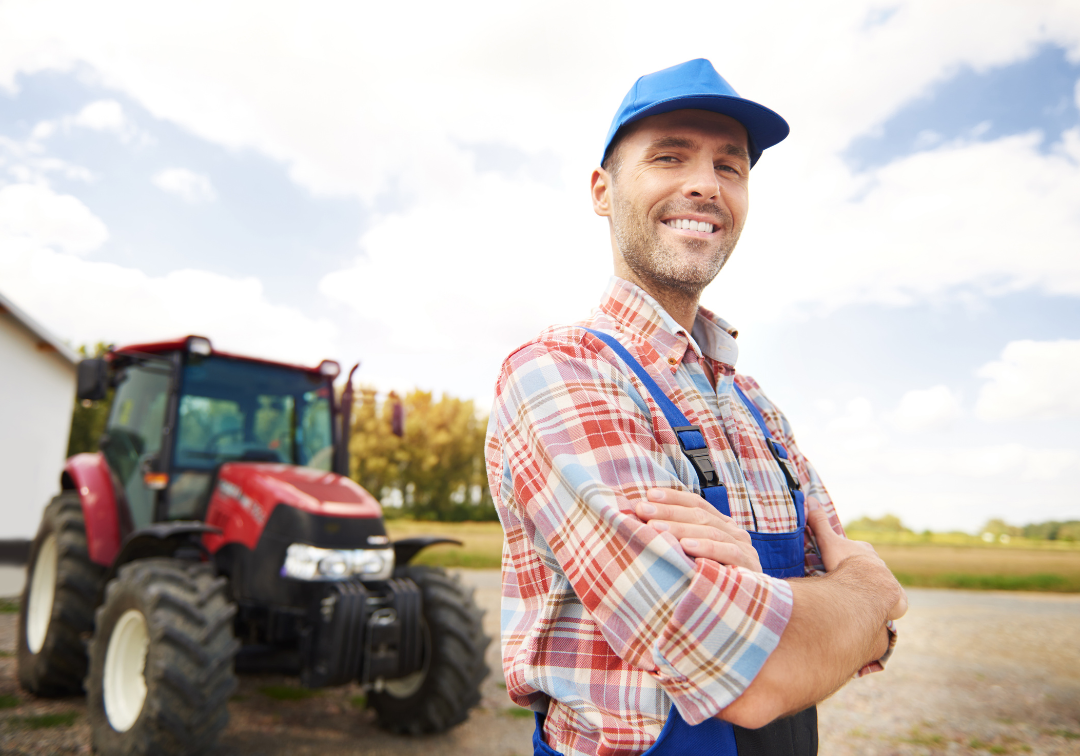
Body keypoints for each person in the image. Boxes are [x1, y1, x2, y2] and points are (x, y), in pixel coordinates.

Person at [485, 59, 907, 756]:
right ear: (602, 190)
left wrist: (784, 596)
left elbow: (870, 642)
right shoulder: (558, 375)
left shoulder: (758, 409)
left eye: (729, 166)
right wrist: (862, 589)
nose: (704, 185)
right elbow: (756, 673)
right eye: (669, 156)